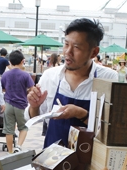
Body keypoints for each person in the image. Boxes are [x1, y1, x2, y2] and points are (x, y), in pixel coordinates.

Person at [27, 18, 118, 147]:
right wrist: (34, 106)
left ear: (94, 52)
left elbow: (113, 129)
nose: (68, 52)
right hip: (51, 161)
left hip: (90, 163)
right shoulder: (50, 76)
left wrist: (81, 114)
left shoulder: (108, 78)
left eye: (76, 47)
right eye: (66, 44)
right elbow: (33, 118)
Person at [1, 50, 34, 153]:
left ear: (10, 61)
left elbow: (2, 89)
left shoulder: (5, 75)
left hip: (9, 104)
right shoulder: (25, 75)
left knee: (9, 130)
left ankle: (10, 152)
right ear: (22, 61)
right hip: (21, 105)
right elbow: (32, 89)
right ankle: (18, 146)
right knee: (23, 127)